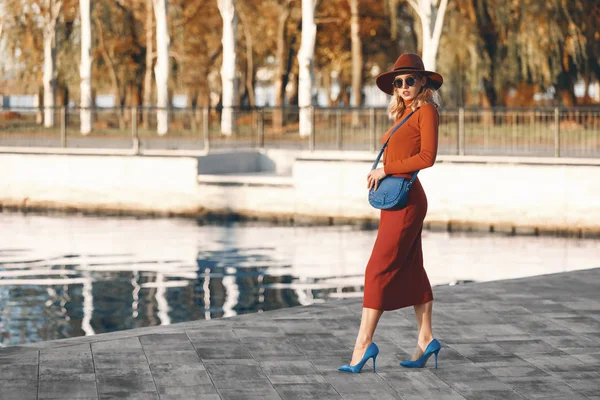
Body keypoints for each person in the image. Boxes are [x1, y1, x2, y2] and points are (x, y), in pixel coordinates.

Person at [338, 53, 443, 373]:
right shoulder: (406, 112)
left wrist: (385, 170)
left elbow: (427, 157)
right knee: (413, 268)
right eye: (399, 82)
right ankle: (426, 339)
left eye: (410, 80)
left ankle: (362, 345)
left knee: (376, 270)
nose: (404, 86)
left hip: (408, 201)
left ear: (423, 81)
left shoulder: (427, 110)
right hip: (398, 201)